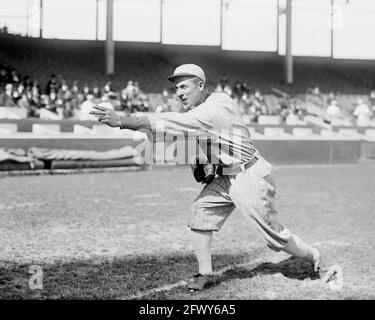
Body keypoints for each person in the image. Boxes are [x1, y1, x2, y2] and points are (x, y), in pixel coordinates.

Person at [90, 64, 340, 291]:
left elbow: (174, 123)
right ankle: (205, 273)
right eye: (176, 87)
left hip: (248, 175)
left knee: (273, 237)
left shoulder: (213, 108)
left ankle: (317, 257)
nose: (179, 92)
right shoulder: (204, 107)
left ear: (201, 85)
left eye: (185, 86)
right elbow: (189, 137)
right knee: (200, 213)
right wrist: (199, 158)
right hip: (225, 176)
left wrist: (123, 120)